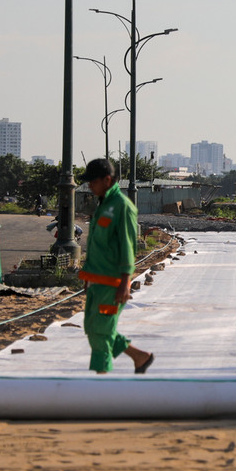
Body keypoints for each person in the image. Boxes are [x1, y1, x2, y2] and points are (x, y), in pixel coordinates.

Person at [78, 158, 154, 374]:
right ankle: (140, 357)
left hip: (113, 284)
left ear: (107, 180)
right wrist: (88, 277)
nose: (89, 186)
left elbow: (127, 246)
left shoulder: (122, 207)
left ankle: (102, 384)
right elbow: (98, 246)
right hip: (98, 281)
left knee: (101, 332)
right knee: (94, 327)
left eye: (92, 182)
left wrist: (125, 283)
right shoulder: (104, 205)